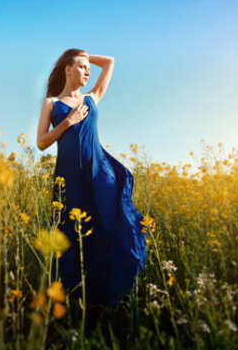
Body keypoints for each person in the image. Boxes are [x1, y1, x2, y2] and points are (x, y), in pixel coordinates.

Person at [34, 49, 147, 315]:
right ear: (68, 69)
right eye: (82, 66)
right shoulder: (51, 103)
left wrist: (84, 52)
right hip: (68, 177)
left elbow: (109, 62)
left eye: (88, 67)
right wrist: (67, 123)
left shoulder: (92, 98)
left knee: (105, 230)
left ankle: (104, 298)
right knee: (69, 235)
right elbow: (40, 143)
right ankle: (72, 299)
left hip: (100, 176)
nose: (88, 71)